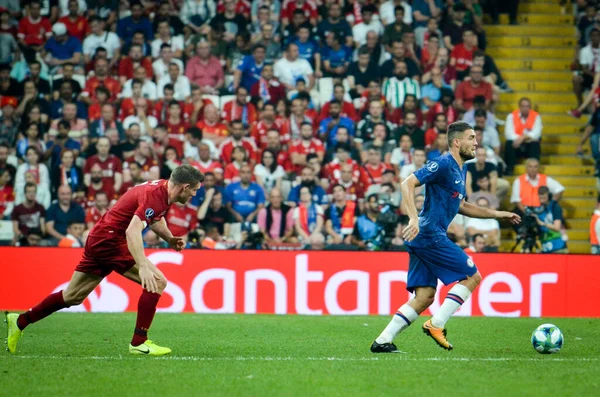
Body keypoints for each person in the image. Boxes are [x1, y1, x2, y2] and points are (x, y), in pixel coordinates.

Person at [5, 165, 205, 356]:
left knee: (73, 296)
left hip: (100, 237)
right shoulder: (156, 196)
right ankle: (139, 342)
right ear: (185, 187)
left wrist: (169, 238)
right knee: (158, 281)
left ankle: (20, 321)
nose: (194, 195)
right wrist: (142, 265)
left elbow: (154, 217)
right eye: (194, 190)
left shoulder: (162, 189)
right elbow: (132, 230)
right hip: (111, 241)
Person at [371, 121, 520, 353]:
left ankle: (382, 341)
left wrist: (497, 214)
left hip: (424, 238)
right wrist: (413, 218)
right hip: (429, 233)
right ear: (457, 141)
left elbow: (461, 205)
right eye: (471, 138)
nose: (476, 142)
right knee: (473, 276)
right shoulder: (442, 163)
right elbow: (407, 183)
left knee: (425, 297)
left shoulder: (462, 168)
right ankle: (436, 323)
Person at [504, 98, 542, 175]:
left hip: (529, 144)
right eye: (523, 106)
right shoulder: (511, 116)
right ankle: (510, 169)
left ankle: (534, 169)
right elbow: (508, 134)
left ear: (530, 107)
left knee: (535, 143)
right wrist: (520, 139)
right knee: (509, 143)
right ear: (519, 107)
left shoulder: (536, 116)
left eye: (527, 106)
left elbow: (537, 133)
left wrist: (523, 138)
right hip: (516, 144)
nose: (525, 108)